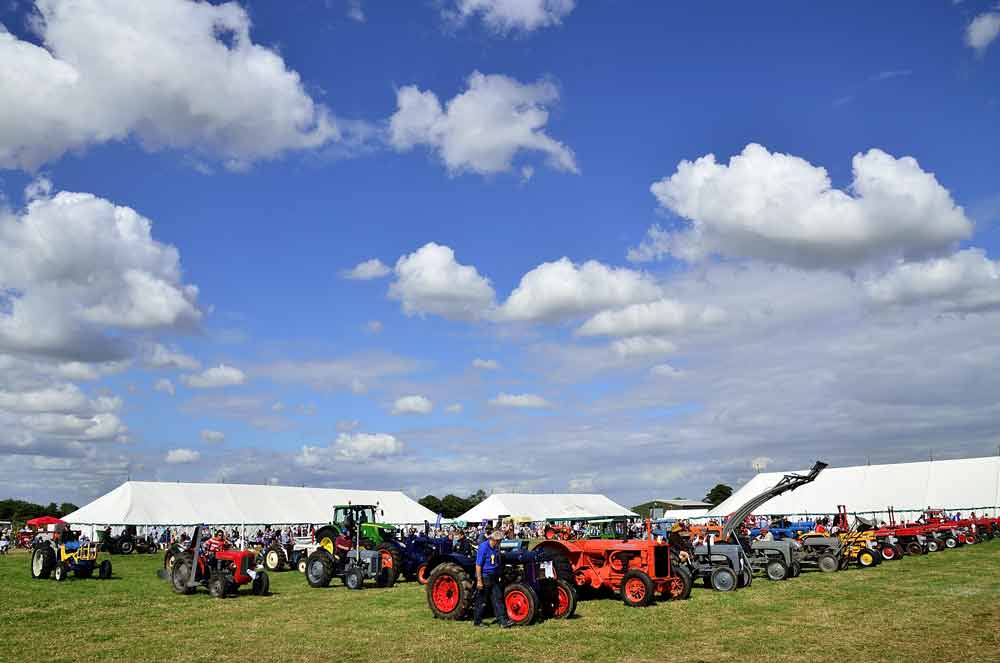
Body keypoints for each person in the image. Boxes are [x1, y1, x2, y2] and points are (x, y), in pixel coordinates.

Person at [474, 530, 510, 628]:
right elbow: (478, 565)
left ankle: (502, 621)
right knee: (482, 600)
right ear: (493, 540)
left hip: (493, 577)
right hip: (485, 577)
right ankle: (477, 621)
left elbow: (496, 562)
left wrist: (499, 574)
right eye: (498, 541)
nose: (499, 543)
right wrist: (479, 580)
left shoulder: (496, 548)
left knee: (497, 598)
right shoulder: (483, 547)